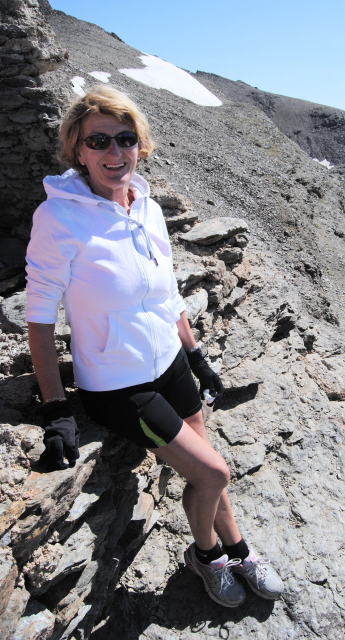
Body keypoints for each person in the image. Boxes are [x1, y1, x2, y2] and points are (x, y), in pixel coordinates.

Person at [26, 86, 283, 607]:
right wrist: (56, 407)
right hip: (118, 385)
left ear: (139, 145)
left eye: (125, 139)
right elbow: (38, 317)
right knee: (213, 472)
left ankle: (239, 550)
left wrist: (195, 354)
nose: (114, 152)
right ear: (77, 150)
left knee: (207, 468)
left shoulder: (145, 206)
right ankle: (206, 557)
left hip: (169, 361)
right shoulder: (59, 219)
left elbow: (166, 294)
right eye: (98, 141)